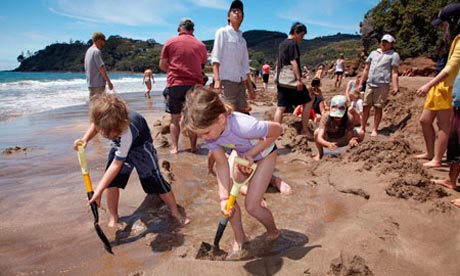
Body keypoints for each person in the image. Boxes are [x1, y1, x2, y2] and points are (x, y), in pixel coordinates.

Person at [183, 87, 282, 251]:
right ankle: (240, 238)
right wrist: (223, 199)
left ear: (221, 119)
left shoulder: (245, 126)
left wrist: (253, 152)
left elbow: (277, 130)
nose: (204, 138)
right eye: (201, 135)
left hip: (265, 155)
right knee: (229, 201)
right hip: (242, 155)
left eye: (205, 133)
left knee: (252, 206)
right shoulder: (211, 134)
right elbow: (221, 163)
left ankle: (273, 231)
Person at [73, 94, 189, 227]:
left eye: (115, 134)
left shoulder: (127, 132)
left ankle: (175, 211)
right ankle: (113, 217)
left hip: (141, 148)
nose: (109, 135)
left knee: (156, 181)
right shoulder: (105, 119)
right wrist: (85, 139)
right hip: (119, 146)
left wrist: (98, 190)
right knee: (112, 183)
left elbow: (117, 165)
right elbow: (95, 125)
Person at [415, 3, 460, 168]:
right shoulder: (450, 39)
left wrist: (428, 84)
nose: (442, 26)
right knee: (424, 121)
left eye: (444, 23)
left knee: (443, 124)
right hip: (437, 84)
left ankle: (438, 159)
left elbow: (451, 67)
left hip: (447, 86)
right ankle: (430, 152)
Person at [159, 18, 208, 154]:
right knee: (191, 117)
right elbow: (201, 66)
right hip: (194, 85)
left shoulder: (170, 42)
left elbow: (162, 65)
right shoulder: (201, 45)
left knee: (175, 118)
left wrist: (175, 71)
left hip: (175, 83)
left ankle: (174, 148)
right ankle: (193, 147)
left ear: (180, 29)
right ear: (192, 30)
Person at [211, 0, 255, 113]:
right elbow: (215, 58)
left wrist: (250, 88)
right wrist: (217, 81)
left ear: (243, 18)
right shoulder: (222, 32)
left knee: (241, 112)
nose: (238, 14)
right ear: (228, 16)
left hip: (240, 82)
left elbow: (245, 66)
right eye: (234, 11)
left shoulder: (242, 40)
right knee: (227, 113)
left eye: (240, 12)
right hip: (226, 81)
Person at [274, 22, 313, 137]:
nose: (301, 39)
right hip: (291, 81)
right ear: (295, 32)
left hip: (281, 79)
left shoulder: (282, 44)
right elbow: (293, 61)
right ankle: (305, 130)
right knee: (309, 100)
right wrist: (299, 79)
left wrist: (277, 78)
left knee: (280, 107)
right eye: (301, 35)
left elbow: (278, 62)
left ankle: (275, 132)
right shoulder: (292, 44)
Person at [358, 34, 400, 137]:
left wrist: (395, 86)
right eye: (382, 41)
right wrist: (360, 83)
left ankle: (374, 129)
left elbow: (395, 72)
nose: (383, 43)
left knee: (378, 107)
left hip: (382, 85)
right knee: (365, 106)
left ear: (392, 44)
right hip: (369, 83)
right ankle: (362, 127)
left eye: (386, 42)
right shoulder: (373, 53)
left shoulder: (393, 55)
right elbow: (366, 69)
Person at [313, 95, 365, 160]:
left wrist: (352, 141)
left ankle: (353, 152)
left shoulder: (349, 117)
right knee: (316, 132)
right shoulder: (326, 117)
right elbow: (319, 137)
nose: (337, 117)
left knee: (361, 133)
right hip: (329, 139)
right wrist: (328, 144)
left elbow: (349, 136)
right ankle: (320, 153)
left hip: (343, 139)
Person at [84, 32, 114, 100]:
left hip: (90, 83)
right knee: (101, 106)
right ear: (98, 40)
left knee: (94, 106)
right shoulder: (96, 51)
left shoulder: (88, 51)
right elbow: (101, 68)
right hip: (98, 84)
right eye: (103, 40)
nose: (104, 43)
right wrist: (109, 82)